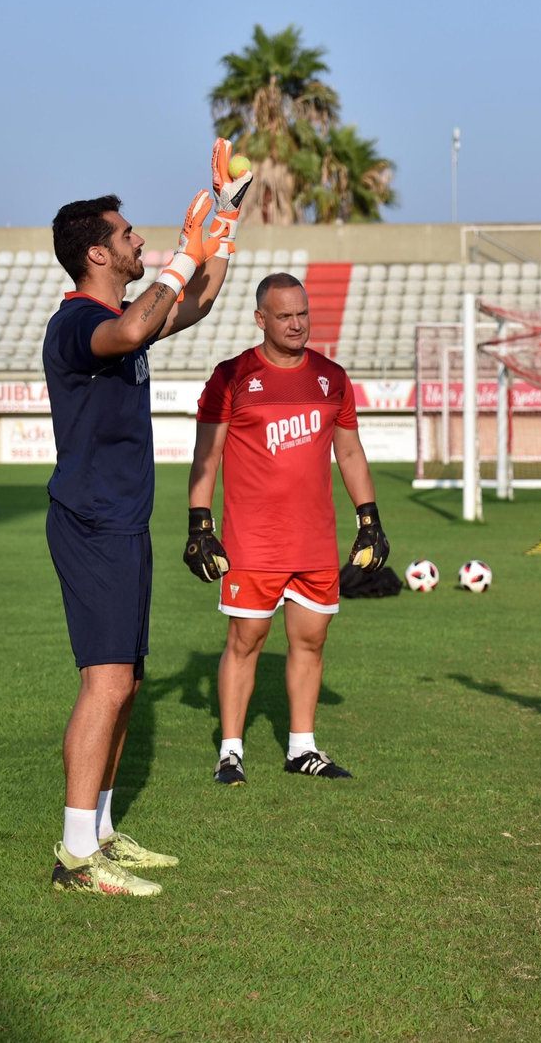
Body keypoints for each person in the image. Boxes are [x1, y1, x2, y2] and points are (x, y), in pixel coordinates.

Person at [45, 140, 252, 896]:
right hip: (93, 523)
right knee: (103, 684)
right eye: (129, 235)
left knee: (127, 682)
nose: (141, 240)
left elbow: (196, 304)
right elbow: (134, 330)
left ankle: (100, 829)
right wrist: (180, 257)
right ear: (98, 253)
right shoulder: (78, 325)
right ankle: (74, 857)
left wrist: (222, 221)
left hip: (123, 522)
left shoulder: (123, 312)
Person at [185, 272, 390, 787]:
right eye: (284, 316)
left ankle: (302, 747)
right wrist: (200, 523)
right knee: (246, 639)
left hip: (315, 540)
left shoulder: (331, 377)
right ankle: (230, 752)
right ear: (261, 319)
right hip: (253, 542)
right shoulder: (231, 376)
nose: (297, 324)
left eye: (302, 313)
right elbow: (206, 457)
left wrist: (369, 519)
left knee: (311, 641)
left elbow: (348, 451)